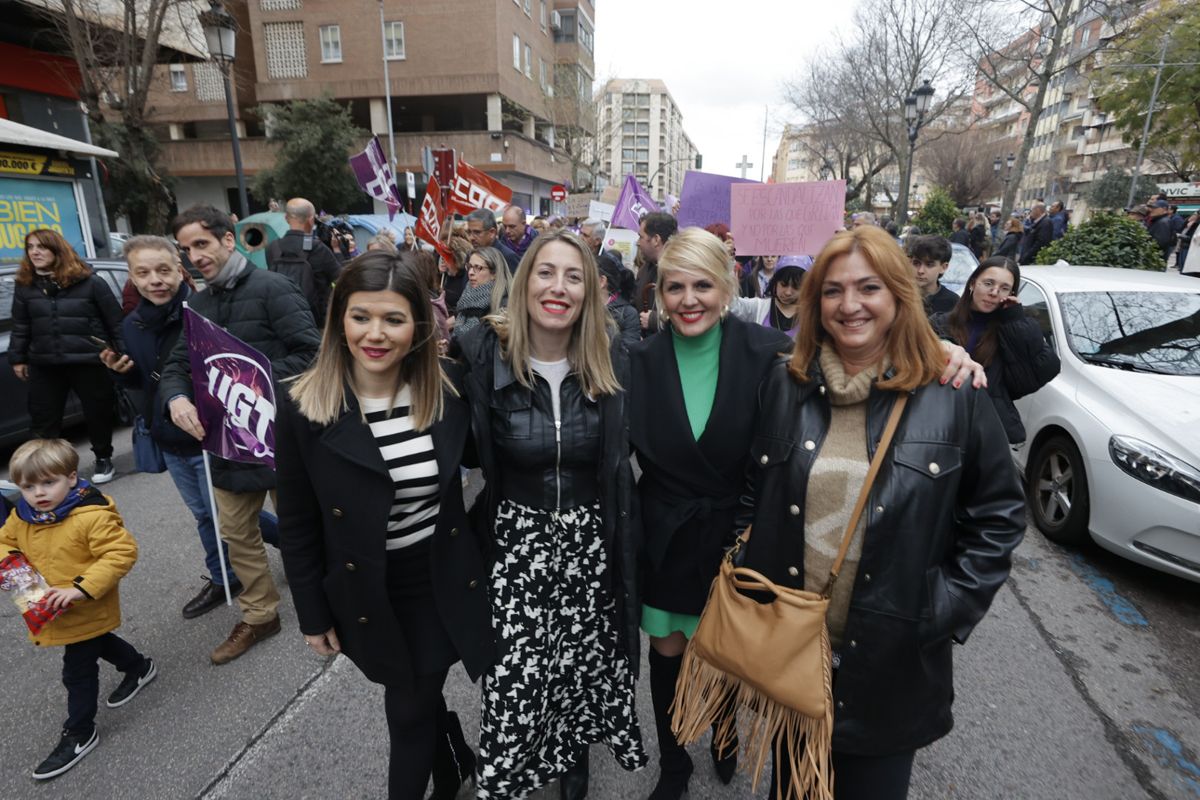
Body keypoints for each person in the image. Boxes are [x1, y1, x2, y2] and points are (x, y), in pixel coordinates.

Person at [739, 225, 1026, 800]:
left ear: (898, 293)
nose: (850, 305)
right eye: (833, 291)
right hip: (795, 655)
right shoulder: (785, 382)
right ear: (815, 301)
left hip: (890, 665)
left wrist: (938, 609)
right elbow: (753, 489)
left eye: (868, 287)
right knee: (790, 791)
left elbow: (997, 517)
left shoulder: (954, 392)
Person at [276, 252, 496, 800]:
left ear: (418, 326)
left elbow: (503, 464)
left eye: (393, 319)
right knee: (415, 693)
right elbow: (299, 521)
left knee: (409, 705)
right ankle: (452, 761)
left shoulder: (446, 389)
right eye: (361, 317)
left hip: (437, 578)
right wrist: (311, 611)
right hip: (366, 589)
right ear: (338, 320)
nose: (375, 334)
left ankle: (439, 772)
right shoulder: (303, 404)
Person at [456, 230, 646, 798]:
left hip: (591, 539)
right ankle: (512, 768)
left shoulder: (612, 357)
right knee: (519, 675)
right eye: (546, 273)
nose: (558, 287)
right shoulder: (478, 352)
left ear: (589, 291)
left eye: (573, 276)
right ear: (524, 282)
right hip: (517, 543)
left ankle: (571, 758)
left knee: (581, 666)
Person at [630, 228, 794, 800]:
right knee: (668, 654)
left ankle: (724, 732)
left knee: (724, 651)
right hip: (665, 536)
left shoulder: (767, 350)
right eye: (675, 287)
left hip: (735, 533)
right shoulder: (640, 362)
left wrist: (944, 349)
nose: (689, 299)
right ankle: (673, 762)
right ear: (660, 294)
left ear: (727, 288)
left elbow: (856, 362)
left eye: (703, 284)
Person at [160, 205, 321, 665]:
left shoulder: (273, 288)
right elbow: (178, 366)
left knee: (302, 529)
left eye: (201, 244)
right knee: (236, 533)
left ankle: (330, 608)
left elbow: (311, 355)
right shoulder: (198, 303)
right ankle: (259, 613)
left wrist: (246, 382)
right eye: (186, 249)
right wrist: (177, 398)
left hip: (281, 441)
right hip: (228, 449)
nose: (194, 256)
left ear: (228, 240)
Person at [98, 235, 277, 620]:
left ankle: (232, 575)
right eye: (143, 273)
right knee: (205, 514)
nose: (155, 280)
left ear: (180, 271)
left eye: (164, 270)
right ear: (131, 277)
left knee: (227, 516)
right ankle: (226, 574)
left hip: (209, 438)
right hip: (168, 438)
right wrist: (122, 377)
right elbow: (145, 385)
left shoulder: (203, 314)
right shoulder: (132, 325)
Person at [2, 439, 156, 780]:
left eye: (48, 482)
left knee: (77, 669)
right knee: (98, 641)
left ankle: (80, 731)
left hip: (85, 602)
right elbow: (5, 541)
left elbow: (121, 553)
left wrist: (79, 588)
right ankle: (139, 666)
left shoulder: (90, 516)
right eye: (28, 486)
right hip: (51, 606)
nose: (38, 493)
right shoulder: (23, 517)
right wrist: (11, 566)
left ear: (72, 478)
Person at [7, 229, 124, 484]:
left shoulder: (90, 281)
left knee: (98, 412)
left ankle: (103, 458)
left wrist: (121, 353)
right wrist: (17, 358)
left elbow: (115, 322)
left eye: (42, 247)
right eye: (30, 247)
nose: (35, 252)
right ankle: (48, 469)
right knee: (43, 418)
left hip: (89, 359)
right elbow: (21, 325)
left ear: (57, 250)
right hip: (45, 363)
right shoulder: (25, 285)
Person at [932, 256, 1061, 444]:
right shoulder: (940, 323)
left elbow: (1034, 376)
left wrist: (1014, 319)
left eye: (1004, 288)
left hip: (985, 430)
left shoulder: (1010, 330)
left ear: (1011, 294)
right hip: (938, 421)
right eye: (988, 283)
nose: (994, 292)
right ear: (973, 284)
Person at [265, 198, 342, 327]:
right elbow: (340, 278)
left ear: (286, 218)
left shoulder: (273, 248)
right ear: (311, 219)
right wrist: (337, 250)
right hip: (315, 322)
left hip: (281, 319)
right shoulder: (318, 248)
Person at [452, 246, 509, 343]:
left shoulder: (502, 308)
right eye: (469, 267)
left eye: (478, 268)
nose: (470, 273)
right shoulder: (467, 296)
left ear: (494, 273)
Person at [636, 211, 678, 335]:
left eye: (641, 237)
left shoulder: (681, 271)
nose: (638, 242)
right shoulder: (645, 269)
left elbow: (690, 313)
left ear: (656, 240)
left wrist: (655, 320)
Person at [596, 247, 641, 348]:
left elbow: (627, 353)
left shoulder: (627, 314)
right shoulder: (580, 307)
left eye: (587, 276)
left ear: (601, 281)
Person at [906, 235, 959, 314]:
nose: (920, 271)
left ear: (943, 267)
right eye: (916, 263)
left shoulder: (952, 302)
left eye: (929, 264)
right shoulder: (901, 296)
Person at [465, 208, 521, 273]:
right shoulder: (470, 255)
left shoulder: (508, 257)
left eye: (477, 232)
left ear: (492, 232)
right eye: (469, 232)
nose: (471, 238)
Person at [763, 260, 807, 335]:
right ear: (775, 282)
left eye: (796, 287)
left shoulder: (811, 314)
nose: (788, 293)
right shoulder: (757, 306)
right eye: (783, 285)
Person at [1147, 200, 1176, 264]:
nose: (1152, 210)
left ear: (1164, 209)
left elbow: (1160, 243)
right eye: (1152, 208)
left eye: (1155, 208)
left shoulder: (1163, 222)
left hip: (1155, 260)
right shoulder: (1159, 220)